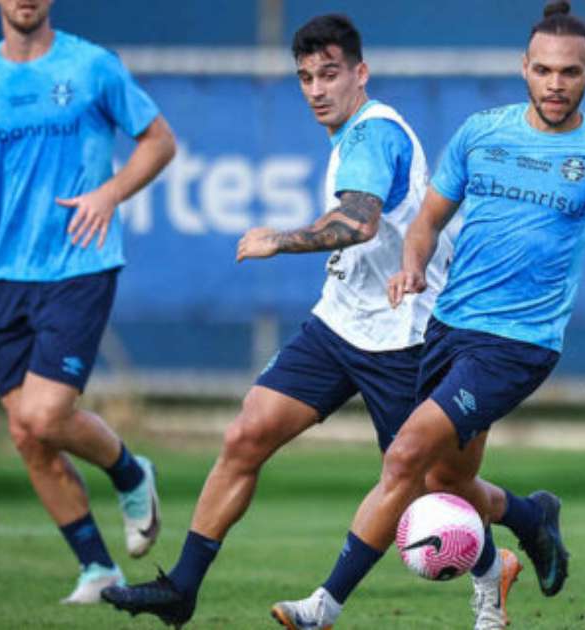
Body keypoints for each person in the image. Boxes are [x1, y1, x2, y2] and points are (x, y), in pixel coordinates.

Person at [100, 15, 535, 630]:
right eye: (305, 77)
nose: (315, 89)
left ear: (361, 73)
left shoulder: (373, 135)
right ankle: (183, 588)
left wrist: (277, 240)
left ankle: (509, 543)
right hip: (339, 324)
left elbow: (357, 222)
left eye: (329, 74)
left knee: (435, 486)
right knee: (246, 435)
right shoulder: (349, 135)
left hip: (406, 335)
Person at [270, 1, 585, 627]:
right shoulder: (482, 132)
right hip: (448, 328)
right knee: (442, 483)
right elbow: (425, 221)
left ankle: (324, 606)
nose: (555, 83)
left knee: (403, 457)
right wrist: (413, 264)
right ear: (523, 69)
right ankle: (530, 521)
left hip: (519, 344)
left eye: (569, 72)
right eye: (543, 70)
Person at [0, 0, 176, 604]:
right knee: (28, 435)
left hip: (80, 262)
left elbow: (159, 143)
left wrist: (108, 193)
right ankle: (98, 569)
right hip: (7, 276)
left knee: (47, 416)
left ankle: (132, 472)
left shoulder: (93, 66)